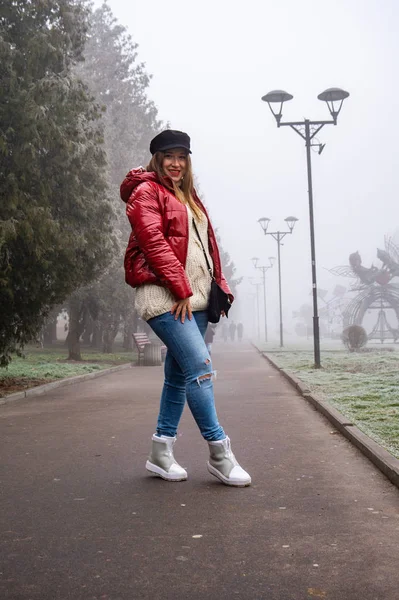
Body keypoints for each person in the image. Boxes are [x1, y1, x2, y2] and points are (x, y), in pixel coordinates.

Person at [120, 130, 251, 487]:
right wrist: (179, 288)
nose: (175, 163)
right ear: (156, 158)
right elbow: (156, 245)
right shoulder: (146, 193)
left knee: (178, 376)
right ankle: (219, 453)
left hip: (191, 299)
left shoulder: (187, 195)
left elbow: (204, 248)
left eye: (182, 156)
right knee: (200, 367)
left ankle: (161, 452)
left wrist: (217, 288)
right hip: (164, 298)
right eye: (169, 156)